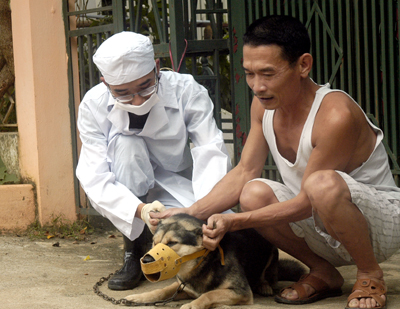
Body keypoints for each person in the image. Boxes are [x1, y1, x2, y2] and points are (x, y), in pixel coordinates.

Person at [150, 15, 400, 308]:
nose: (257, 86)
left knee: (321, 184)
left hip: (380, 227)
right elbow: (245, 171)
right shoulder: (264, 106)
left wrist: (235, 221)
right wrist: (191, 212)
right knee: (253, 192)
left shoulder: (336, 114)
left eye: (268, 74)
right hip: (321, 223)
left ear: (303, 65)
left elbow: (310, 198)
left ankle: (369, 274)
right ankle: (323, 273)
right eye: (250, 74)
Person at [75, 31, 231, 290]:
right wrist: (140, 210)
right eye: (123, 93)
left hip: (178, 182)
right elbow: (94, 174)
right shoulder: (93, 105)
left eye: (145, 86)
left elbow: (210, 149)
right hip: (127, 189)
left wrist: (203, 208)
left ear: (157, 68)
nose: (137, 100)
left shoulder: (186, 90)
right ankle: (133, 251)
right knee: (127, 144)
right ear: (105, 84)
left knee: (220, 229)